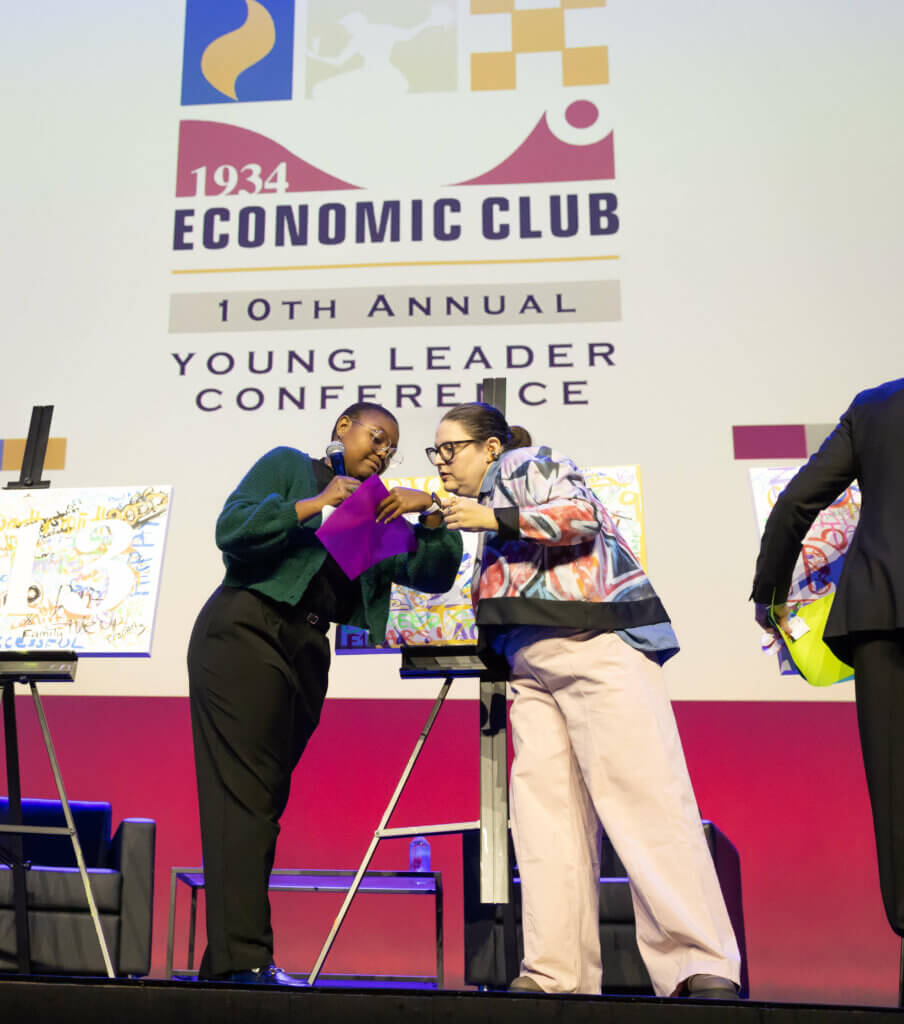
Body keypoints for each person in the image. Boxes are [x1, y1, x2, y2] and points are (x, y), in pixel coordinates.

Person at [427, 402, 741, 998]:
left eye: (451, 448)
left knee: (646, 803)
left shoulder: (526, 462)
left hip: (594, 644)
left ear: (490, 447)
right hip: (530, 666)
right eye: (435, 452)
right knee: (547, 825)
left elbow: (581, 517)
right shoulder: (486, 507)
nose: (441, 462)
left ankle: (699, 963)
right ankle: (556, 972)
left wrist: (492, 516)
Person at [188, 402, 462, 985]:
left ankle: (226, 963)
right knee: (246, 799)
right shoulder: (291, 466)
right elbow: (232, 530)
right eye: (376, 437)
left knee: (259, 804)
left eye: (392, 449)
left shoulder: (375, 510)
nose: (382, 452)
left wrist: (432, 512)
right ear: (343, 428)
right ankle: (245, 960)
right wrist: (315, 503)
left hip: (307, 649)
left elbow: (433, 574)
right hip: (247, 628)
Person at [751, 377, 904, 936]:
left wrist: (770, 594)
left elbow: (797, 502)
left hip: (884, 615)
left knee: (896, 796)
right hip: (879, 615)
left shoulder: (877, 405)